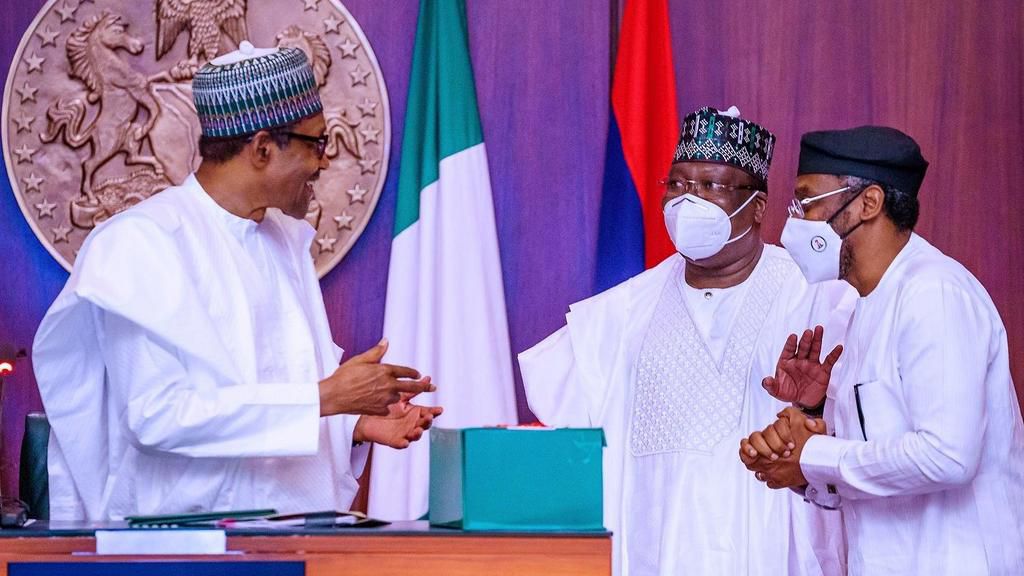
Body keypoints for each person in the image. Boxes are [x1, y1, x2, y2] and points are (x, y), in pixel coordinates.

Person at [32, 42, 442, 522]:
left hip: (295, 536)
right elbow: (156, 417)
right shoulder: (139, 243)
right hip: (182, 546)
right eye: (317, 143)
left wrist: (352, 421)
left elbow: (276, 397)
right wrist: (326, 397)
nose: (324, 162)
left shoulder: (282, 239)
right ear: (263, 148)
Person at [519, 106, 855, 575]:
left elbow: (862, 435)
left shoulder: (816, 297)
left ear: (757, 206)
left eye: (710, 186)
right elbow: (570, 452)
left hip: (772, 554)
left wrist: (813, 407)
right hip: (654, 551)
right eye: (677, 184)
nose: (687, 200)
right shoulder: (621, 313)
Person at [740, 125, 1024, 575]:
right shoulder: (863, 306)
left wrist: (814, 455)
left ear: (868, 203)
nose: (795, 223)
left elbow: (948, 457)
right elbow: (877, 469)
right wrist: (802, 457)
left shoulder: (933, 293)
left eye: (807, 202)